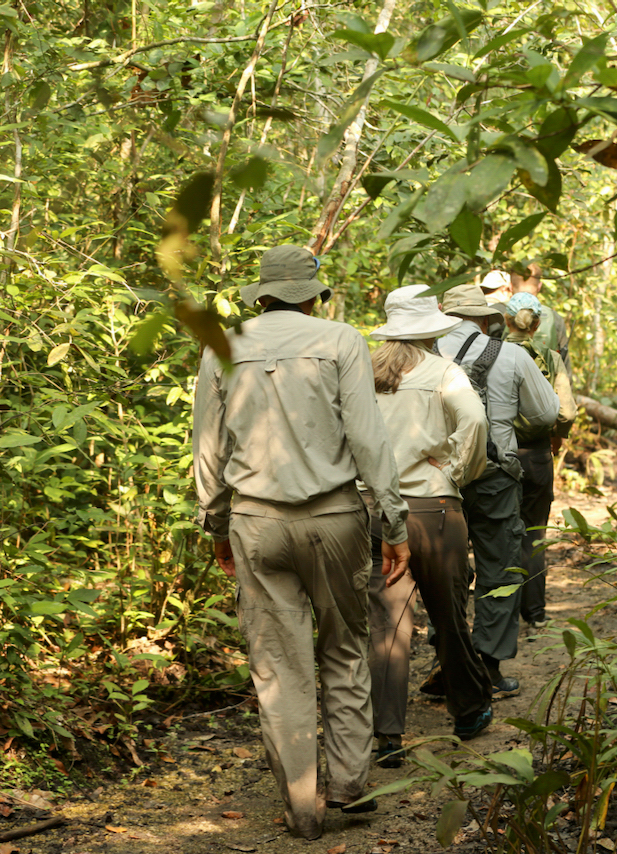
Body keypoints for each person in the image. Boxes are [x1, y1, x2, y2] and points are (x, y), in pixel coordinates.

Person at [192, 244, 410, 841]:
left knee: (279, 666)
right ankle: (349, 785)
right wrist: (394, 524)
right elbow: (368, 438)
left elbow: (208, 449)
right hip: (336, 517)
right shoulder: (340, 340)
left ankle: (302, 807)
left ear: (261, 294)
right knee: (344, 648)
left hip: (256, 521)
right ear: (312, 296)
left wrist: (217, 524)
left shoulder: (223, 345)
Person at [364, 285, 495, 765]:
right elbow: (475, 423)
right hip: (434, 509)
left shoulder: (362, 372)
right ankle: (469, 711)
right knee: (449, 616)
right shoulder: (444, 371)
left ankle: (387, 737)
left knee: (387, 627)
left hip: (374, 511)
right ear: (429, 327)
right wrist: (458, 471)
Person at [437, 284, 559, 697]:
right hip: (494, 477)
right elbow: (547, 413)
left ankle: (448, 663)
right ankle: (488, 665)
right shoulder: (510, 355)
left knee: (443, 571)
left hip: (437, 480)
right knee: (500, 568)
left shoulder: (421, 355)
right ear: (486, 318)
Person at [503, 292, 577, 630]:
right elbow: (566, 411)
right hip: (536, 455)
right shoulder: (550, 358)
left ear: (506, 321)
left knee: (501, 534)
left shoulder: (491, 354)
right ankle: (534, 614)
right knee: (533, 535)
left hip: (499, 456)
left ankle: (503, 616)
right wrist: (557, 435)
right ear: (536, 325)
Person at [510, 263, 571, 380]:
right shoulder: (554, 318)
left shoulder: (498, 315)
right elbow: (564, 369)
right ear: (539, 286)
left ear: (510, 286)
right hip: (545, 387)